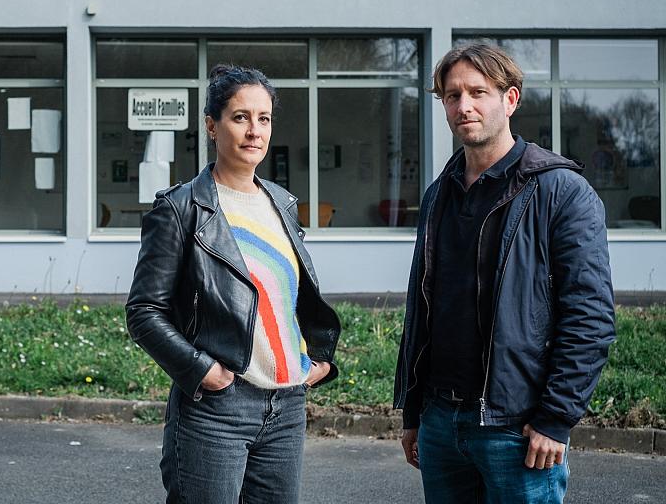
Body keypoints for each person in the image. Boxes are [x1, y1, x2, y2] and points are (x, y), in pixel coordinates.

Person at [393, 43, 616, 503]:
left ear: (510, 100)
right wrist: (415, 412)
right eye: (452, 95)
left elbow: (590, 318)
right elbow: (424, 309)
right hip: (440, 421)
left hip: (517, 429)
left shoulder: (561, 192)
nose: (463, 105)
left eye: (478, 92)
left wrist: (556, 418)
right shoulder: (439, 196)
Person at [126, 64, 342, 503]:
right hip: (218, 407)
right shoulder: (182, 208)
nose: (254, 131)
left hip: (286, 407)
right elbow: (144, 312)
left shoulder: (280, 202)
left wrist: (315, 357)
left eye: (263, 119)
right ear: (212, 125)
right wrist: (201, 369)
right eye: (240, 117)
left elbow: (286, 298)